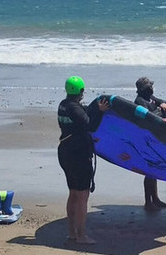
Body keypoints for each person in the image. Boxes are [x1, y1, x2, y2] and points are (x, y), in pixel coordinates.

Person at [57, 75, 110, 244]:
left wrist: (93, 110)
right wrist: (100, 113)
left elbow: (81, 114)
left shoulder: (63, 105)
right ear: (80, 91)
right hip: (78, 154)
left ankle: (72, 233)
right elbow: (90, 126)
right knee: (82, 196)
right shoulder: (74, 108)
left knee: (73, 193)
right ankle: (81, 236)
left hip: (65, 152)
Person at [134, 76, 166, 210]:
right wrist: (161, 121)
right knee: (149, 170)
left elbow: (160, 101)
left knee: (154, 169)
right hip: (146, 138)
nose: (151, 89)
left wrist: (162, 103)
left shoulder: (151, 98)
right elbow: (147, 117)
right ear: (142, 89)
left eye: (151, 87)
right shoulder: (140, 101)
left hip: (155, 137)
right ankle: (148, 202)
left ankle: (155, 198)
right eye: (148, 87)